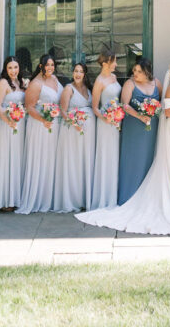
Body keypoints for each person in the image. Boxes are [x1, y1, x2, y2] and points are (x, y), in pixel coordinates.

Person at [76, 58, 170, 234]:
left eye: (138, 71)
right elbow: (165, 110)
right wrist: (144, 116)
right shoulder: (159, 87)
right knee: (144, 162)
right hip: (151, 128)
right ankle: (134, 197)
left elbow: (165, 105)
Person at [15, 53, 63, 214]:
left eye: (52, 65)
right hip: (40, 126)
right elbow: (29, 107)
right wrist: (43, 119)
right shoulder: (36, 83)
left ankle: (49, 198)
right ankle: (37, 198)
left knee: (51, 160)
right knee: (40, 159)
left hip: (54, 125)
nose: (50, 68)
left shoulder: (55, 79)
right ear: (41, 66)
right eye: (47, 65)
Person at [118, 57, 162, 205]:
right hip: (134, 128)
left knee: (150, 159)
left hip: (152, 128)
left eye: (139, 71)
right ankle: (129, 196)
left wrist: (155, 109)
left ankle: (149, 197)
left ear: (147, 72)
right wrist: (140, 116)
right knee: (133, 160)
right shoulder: (129, 84)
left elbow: (162, 102)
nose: (135, 73)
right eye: (134, 70)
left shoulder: (156, 83)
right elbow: (124, 105)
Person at [53, 61, 96, 212]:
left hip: (87, 133)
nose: (77, 74)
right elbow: (63, 111)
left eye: (80, 71)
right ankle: (72, 199)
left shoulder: (88, 89)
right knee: (73, 163)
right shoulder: (68, 89)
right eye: (75, 71)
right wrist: (75, 123)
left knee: (84, 162)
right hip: (72, 130)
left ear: (85, 74)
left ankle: (84, 197)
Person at [0, 55, 26, 211]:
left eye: (15, 67)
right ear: (5, 69)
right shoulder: (2, 83)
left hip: (19, 124)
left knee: (16, 159)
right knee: (6, 158)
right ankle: (4, 200)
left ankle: (15, 198)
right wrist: (8, 120)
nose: (13, 71)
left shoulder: (21, 83)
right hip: (6, 125)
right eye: (10, 68)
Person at [88, 47, 121, 210]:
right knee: (106, 157)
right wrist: (107, 118)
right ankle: (104, 197)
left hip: (117, 123)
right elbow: (94, 107)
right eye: (114, 61)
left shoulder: (114, 77)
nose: (116, 64)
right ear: (107, 62)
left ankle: (114, 195)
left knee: (115, 157)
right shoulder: (99, 81)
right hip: (105, 124)